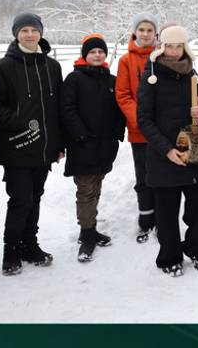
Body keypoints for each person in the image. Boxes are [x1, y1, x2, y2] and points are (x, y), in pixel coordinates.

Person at [0, 12, 66, 276]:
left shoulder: (52, 67)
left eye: (34, 30)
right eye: (24, 31)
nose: (30, 35)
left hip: (44, 148)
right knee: (20, 200)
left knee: (36, 198)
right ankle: (11, 251)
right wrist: (18, 120)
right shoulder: (3, 68)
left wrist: (58, 143)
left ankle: (30, 246)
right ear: (16, 34)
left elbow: (57, 110)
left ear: (41, 33)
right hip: (18, 147)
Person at [136, 24, 198, 277]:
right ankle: (169, 257)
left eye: (179, 46)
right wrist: (167, 150)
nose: (174, 51)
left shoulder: (192, 73)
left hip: (193, 148)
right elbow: (144, 120)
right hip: (163, 153)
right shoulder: (151, 76)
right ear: (161, 46)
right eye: (170, 45)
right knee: (167, 212)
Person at [61, 33, 127, 262]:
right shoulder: (74, 79)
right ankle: (87, 234)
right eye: (92, 52)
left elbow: (120, 109)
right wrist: (81, 135)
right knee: (86, 189)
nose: (97, 55)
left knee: (96, 185)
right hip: (83, 144)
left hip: (105, 144)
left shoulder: (112, 80)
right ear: (85, 55)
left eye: (100, 52)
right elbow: (67, 109)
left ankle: (89, 228)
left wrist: (118, 133)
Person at [115, 14, 160, 243]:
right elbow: (123, 95)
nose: (145, 34)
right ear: (135, 32)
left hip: (163, 132)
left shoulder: (162, 58)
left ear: (155, 34)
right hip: (139, 131)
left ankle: (162, 222)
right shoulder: (126, 61)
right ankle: (146, 221)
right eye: (141, 29)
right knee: (143, 178)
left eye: (149, 30)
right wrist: (140, 120)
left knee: (162, 177)